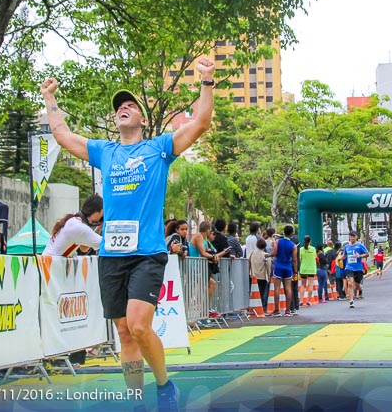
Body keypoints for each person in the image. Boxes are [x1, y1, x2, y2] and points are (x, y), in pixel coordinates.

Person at [41, 60, 215, 412]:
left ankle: (165, 387)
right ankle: (137, 400)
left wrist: (207, 81)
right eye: (119, 106)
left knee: (138, 325)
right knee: (123, 332)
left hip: (147, 253)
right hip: (111, 256)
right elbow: (62, 135)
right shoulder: (105, 152)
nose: (123, 108)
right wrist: (49, 98)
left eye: (131, 105)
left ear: (142, 119)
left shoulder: (159, 149)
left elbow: (200, 123)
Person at [191, 221, 228, 317]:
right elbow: (203, 253)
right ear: (207, 230)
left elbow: (209, 252)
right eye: (210, 230)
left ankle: (205, 308)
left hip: (202, 266)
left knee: (211, 284)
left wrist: (214, 256)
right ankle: (203, 310)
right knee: (204, 287)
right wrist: (213, 257)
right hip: (195, 266)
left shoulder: (205, 240)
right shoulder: (198, 236)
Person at [270, 226, 297, 317]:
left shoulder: (278, 242)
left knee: (277, 288)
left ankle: (277, 310)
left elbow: (274, 253)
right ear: (291, 233)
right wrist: (295, 271)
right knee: (288, 289)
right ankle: (288, 310)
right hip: (288, 267)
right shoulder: (293, 245)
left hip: (278, 266)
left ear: (284, 232)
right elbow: (294, 260)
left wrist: (267, 256)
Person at [342, 231, 369, 306]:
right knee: (350, 283)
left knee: (357, 285)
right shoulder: (347, 246)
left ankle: (360, 289)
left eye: (353, 236)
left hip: (358, 268)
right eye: (350, 236)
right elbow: (345, 255)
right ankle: (351, 300)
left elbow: (367, 254)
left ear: (356, 237)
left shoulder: (360, 245)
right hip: (349, 267)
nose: (352, 238)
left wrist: (360, 256)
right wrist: (339, 259)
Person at [250, 238, 272, 314]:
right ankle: (262, 308)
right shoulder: (265, 255)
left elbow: (249, 263)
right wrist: (269, 275)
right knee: (262, 293)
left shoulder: (252, 253)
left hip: (253, 276)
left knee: (253, 293)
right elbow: (268, 266)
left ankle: (253, 308)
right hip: (262, 276)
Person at [298, 236, 317, 307]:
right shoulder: (313, 249)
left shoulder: (301, 249)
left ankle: (301, 301)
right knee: (310, 285)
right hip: (311, 269)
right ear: (310, 241)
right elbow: (315, 257)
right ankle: (309, 301)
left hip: (303, 269)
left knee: (303, 285)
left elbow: (300, 259)